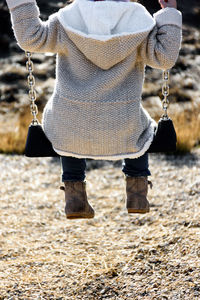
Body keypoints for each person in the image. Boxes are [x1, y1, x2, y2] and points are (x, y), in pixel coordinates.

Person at [6, 0, 182, 219]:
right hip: (122, 125)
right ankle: (137, 192)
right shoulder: (139, 21)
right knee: (142, 129)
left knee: (66, 125)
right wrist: (170, 13)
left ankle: (74, 197)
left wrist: (20, 2)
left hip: (70, 125)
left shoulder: (67, 19)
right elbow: (164, 58)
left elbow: (30, 38)